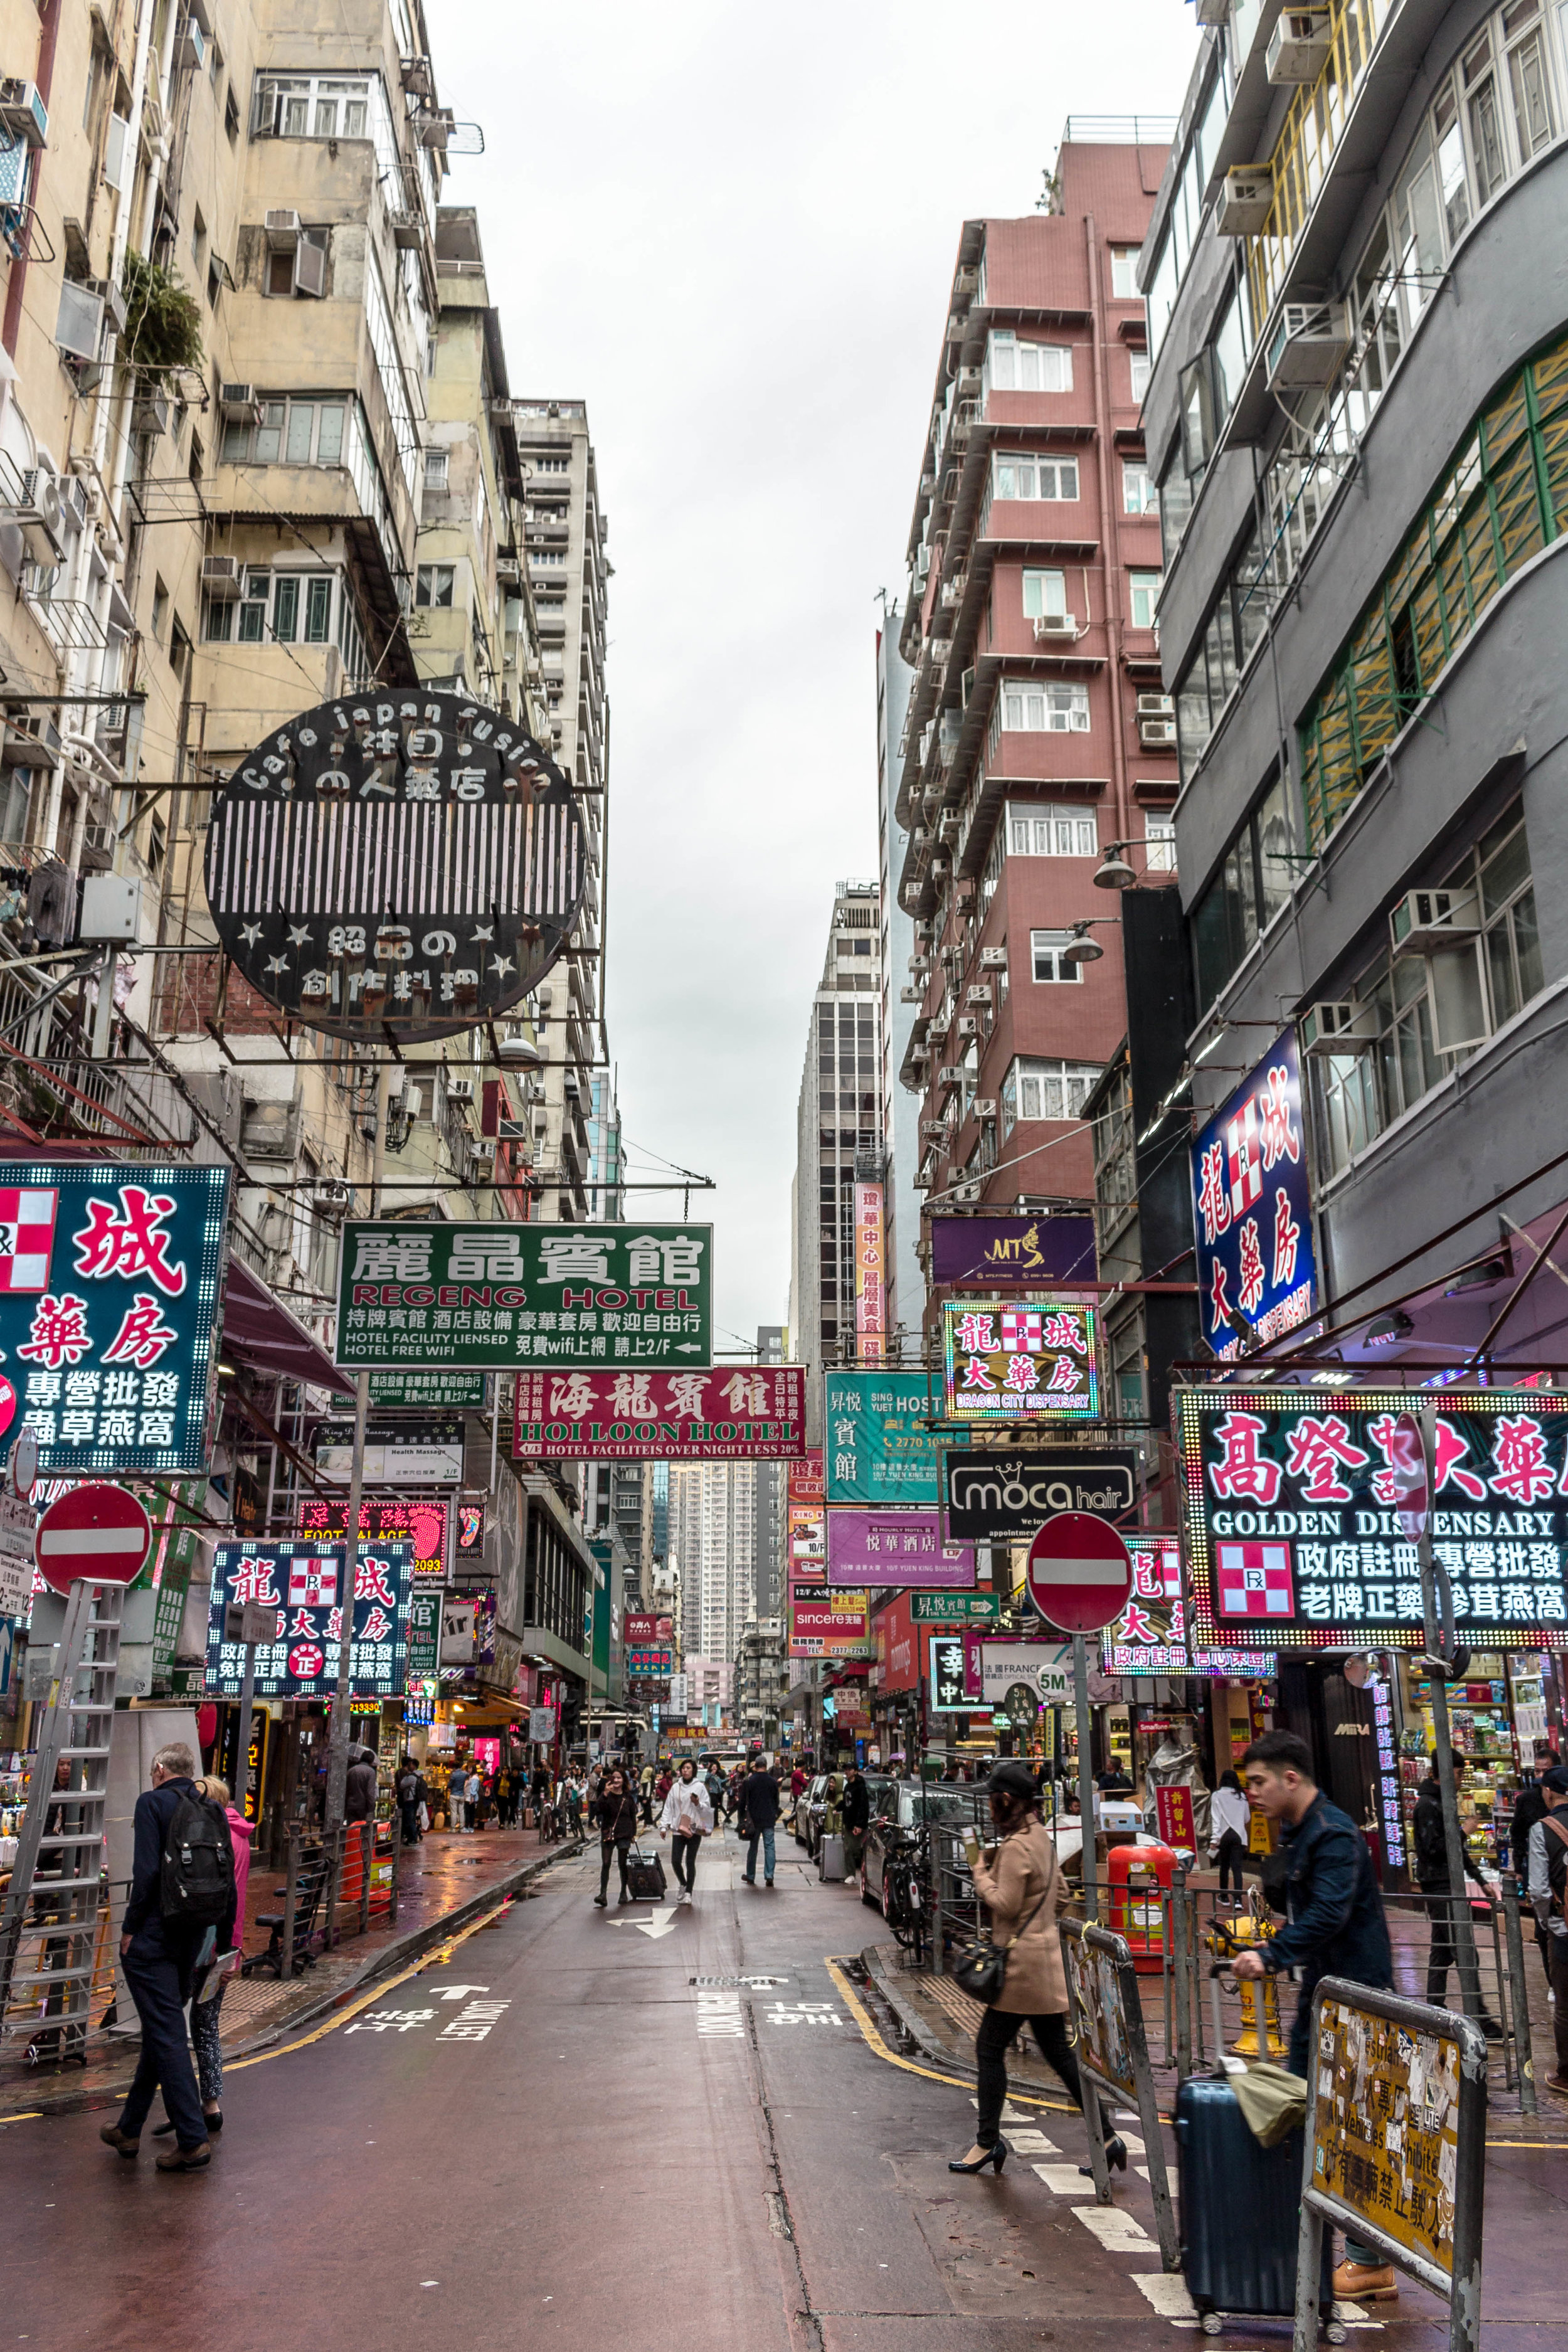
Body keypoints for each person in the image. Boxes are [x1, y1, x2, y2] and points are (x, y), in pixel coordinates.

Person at [1232, 1731, 1397, 2302]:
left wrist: (1271, 1954)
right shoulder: (1303, 1832)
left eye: (1259, 1782)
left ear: (1291, 1779)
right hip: (1325, 1996)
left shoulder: (1333, 1835)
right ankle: (1315, 2239)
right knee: (1314, 2118)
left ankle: (1369, 2261)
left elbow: (1329, 1913)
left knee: (1346, 2125)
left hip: (1356, 2003)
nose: (1251, 1793)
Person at [949, 1761, 1121, 2179]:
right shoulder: (1040, 1838)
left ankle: (987, 2142)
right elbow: (1061, 1892)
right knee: (1060, 2055)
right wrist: (1041, 1919)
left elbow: (1004, 1903)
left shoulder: (1013, 1848)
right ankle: (1110, 2137)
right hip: (1046, 1967)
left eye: (993, 1800)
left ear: (1005, 1802)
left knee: (990, 2049)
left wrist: (979, 1871)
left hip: (1020, 1973)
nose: (989, 1808)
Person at [99, 1743, 229, 2172]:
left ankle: (192, 2140)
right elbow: (224, 1877)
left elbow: (148, 1873)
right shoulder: (208, 1806)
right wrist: (223, 1943)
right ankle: (130, 2128)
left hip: (154, 1937)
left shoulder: (151, 1803)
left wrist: (130, 1929)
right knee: (163, 2027)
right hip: (192, 1935)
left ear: (158, 1769)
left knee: (169, 2036)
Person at [154, 1774, 250, 2146]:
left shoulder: (209, 1837)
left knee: (174, 2025)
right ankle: (211, 2106)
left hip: (197, 1946)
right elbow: (237, 1906)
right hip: (224, 1949)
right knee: (207, 2025)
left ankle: (179, 2109)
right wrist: (232, 1956)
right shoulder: (240, 1838)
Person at [1413, 1749, 1501, 2028]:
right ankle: (1480, 2019)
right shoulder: (1428, 1805)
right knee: (1464, 1950)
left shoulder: (1443, 1803)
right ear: (1448, 1771)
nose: (1463, 1778)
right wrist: (1464, 1831)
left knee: (1441, 1949)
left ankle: (1434, 2009)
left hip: (1446, 1884)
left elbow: (1457, 1851)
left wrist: (1480, 1880)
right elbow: (1434, 1848)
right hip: (1438, 1886)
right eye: (1460, 1772)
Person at [1525, 1764, 1568, 2097]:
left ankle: (1566, 2074)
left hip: (1564, 1929)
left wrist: (1548, 1922)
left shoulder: (1543, 1829)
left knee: (1566, 2006)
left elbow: (1539, 1890)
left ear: (1549, 1792)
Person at [1512, 1740, 1558, 1986]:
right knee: (1544, 1926)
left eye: (1545, 1771)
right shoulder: (1527, 1800)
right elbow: (1517, 1834)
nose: (1540, 1776)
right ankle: (1553, 1981)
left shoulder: (1561, 1798)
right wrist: (1520, 1868)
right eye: (1537, 1771)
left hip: (1561, 1870)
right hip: (1539, 1870)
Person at [658, 1758, 714, 1904]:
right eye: (683, 1768)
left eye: (688, 1768)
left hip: (694, 1829)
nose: (686, 1771)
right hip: (678, 1829)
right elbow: (668, 1808)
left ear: (693, 1770)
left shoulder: (700, 1787)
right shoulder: (676, 1787)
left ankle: (689, 1892)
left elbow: (707, 1808)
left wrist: (697, 1803)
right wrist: (664, 1826)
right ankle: (683, 1884)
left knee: (690, 1861)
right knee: (675, 1861)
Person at [595, 1766, 640, 1906]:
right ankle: (603, 1894)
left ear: (624, 1780)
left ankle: (623, 1892)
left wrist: (633, 1833)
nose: (616, 1780)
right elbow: (598, 1810)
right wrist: (605, 1794)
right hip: (608, 1832)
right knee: (606, 1863)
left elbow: (633, 1815)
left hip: (624, 1833)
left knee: (622, 1864)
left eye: (619, 1778)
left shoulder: (628, 1797)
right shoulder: (606, 1795)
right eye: (614, 1778)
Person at [740, 1754, 780, 1887]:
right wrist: (774, 1813)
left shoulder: (749, 1782)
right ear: (766, 1766)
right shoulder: (772, 1781)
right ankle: (769, 1875)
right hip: (769, 1819)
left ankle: (750, 1875)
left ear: (755, 1766)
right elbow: (776, 1801)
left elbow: (743, 1802)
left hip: (754, 1820)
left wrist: (742, 1819)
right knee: (770, 1847)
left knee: (753, 1847)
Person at [1209, 1769, 1250, 1894]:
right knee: (1237, 1868)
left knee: (1224, 1867)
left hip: (1224, 1835)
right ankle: (1238, 1900)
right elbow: (1247, 1818)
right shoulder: (1242, 1796)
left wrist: (1214, 1839)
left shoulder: (1217, 1795)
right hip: (1239, 1835)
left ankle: (1224, 1896)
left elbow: (1216, 1819)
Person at [842, 1763, 871, 1880]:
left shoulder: (860, 1787)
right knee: (848, 1849)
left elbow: (863, 1806)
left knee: (861, 1851)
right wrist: (838, 1808)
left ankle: (866, 1876)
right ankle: (851, 1874)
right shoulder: (847, 1787)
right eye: (846, 1770)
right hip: (849, 1823)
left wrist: (859, 1824)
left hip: (859, 1824)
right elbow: (846, 1802)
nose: (847, 1772)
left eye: (850, 1770)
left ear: (855, 1771)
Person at [345, 1744, 377, 1826]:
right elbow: (370, 1793)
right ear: (371, 1761)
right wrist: (371, 1808)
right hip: (363, 1806)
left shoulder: (351, 1770)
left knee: (351, 1829)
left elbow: (346, 1789)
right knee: (362, 1830)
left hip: (351, 1805)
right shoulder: (370, 1772)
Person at [395, 1757, 423, 1846]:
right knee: (410, 1819)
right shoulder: (414, 1775)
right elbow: (403, 1785)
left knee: (409, 1819)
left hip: (407, 1799)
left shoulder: (409, 1775)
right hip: (410, 1799)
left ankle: (410, 1837)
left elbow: (402, 1785)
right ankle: (410, 1837)